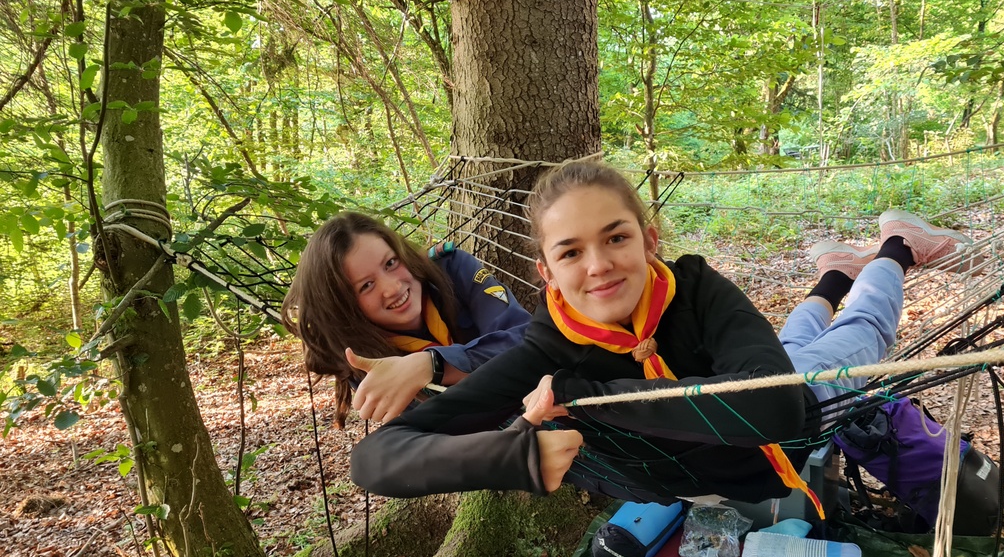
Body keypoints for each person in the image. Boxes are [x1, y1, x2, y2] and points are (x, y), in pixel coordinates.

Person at [349, 162, 968, 504]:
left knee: (864, 331)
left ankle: (896, 246)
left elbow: (777, 406)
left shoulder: (693, 289)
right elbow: (377, 459)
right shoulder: (547, 348)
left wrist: (589, 397)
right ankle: (833, 272)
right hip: (743, 396)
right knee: (790, 346)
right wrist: (514, 456)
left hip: (808, 402)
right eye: (571, 252)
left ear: (649, 241)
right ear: (547, 273)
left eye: (616, 238)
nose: (598, 266)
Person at [282, 212, 532, 428]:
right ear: (344, 308)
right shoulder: (360, 356)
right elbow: (441, 427)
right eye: (366, 285)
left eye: (391, 263)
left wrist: (432, 365)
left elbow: (530, 343)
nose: (392, 287)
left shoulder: (451, 269)